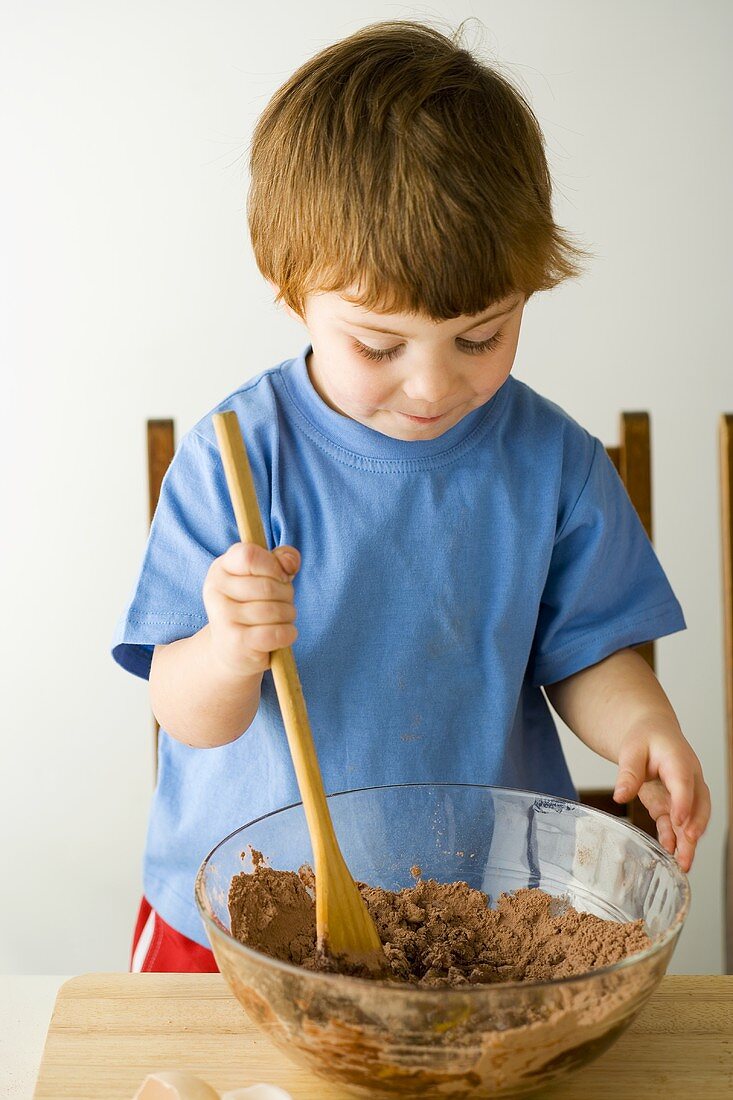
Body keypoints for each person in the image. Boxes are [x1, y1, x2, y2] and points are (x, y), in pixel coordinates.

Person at [112, 19, 710, 973]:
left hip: (479, 922)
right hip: (223, 924)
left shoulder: (551, 464)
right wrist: (226, 648)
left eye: (481, 337)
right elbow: (186, 711)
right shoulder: (238, 458)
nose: (432, 386)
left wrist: (645, 728)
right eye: (378, 346)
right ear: (289, 289)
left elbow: (590, 655)